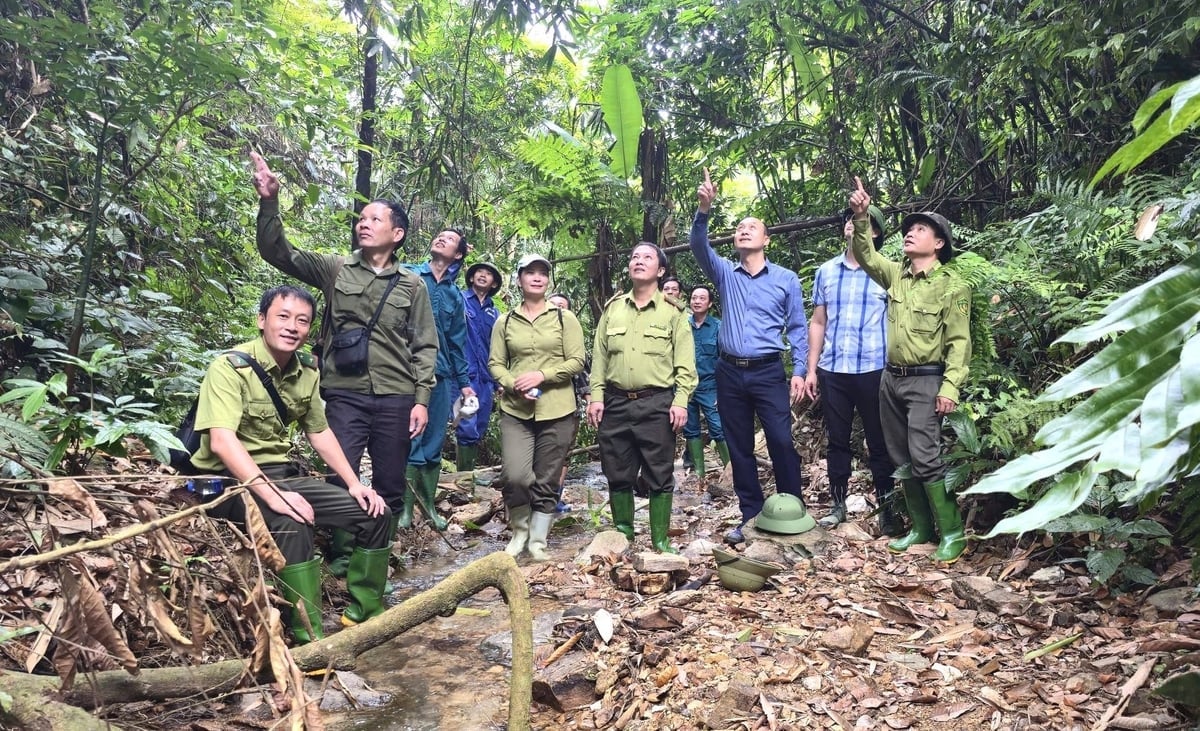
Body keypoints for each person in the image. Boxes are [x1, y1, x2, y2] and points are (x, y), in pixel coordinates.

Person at [251, 152, 437, 577]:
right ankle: (339, 554)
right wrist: (268, 202)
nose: (363, 223)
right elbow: (278, 252)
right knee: (342, 473)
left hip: (396, 396)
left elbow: (425, 345)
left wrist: (422, 399)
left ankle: (374, 563)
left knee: (390, 483)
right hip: (343, 393)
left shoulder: (412, 285)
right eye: (362, 219)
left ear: (398, 233)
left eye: (374, 219)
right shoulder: (336, 269)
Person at [190, 286, 392, 643]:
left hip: (283, 476)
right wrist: (273, 496)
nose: (291, 327)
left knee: (376, 513)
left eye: (302, 321)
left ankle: (365, 612)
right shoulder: (229, 367)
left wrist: (354, 483)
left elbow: (320, 432)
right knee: (292, 520)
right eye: (282, 316)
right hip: (229, 481)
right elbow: (222, 441)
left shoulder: (307, 370)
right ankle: (309, 637)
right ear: (262, 320)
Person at [847, 176, 971, 562]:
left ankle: (952, 532)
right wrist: (862, 216)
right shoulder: (896, 275)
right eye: (909, 229)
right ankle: (920, 528)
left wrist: (950, 387)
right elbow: (866, 255)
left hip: (926, 381)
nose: (910, 234)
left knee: (925, 456)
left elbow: (959, 343)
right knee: (901, 456)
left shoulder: (952, 285)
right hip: (891, 379)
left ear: (938, 243)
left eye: (921, 230)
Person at [691, 170, 810, 545]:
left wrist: (801, 369)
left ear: (766, 240)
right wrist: (703, 211)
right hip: (730, 373)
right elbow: (698, 247)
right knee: (739, 445)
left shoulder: (786, 279)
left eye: (752, 226)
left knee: (780, 440)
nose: (744, 230)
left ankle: (793, 508)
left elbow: (798, 327)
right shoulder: (727, 274)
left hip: (768, 371)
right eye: (740, 227)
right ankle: (751, 515)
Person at [588, 243, 697, 553]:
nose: (638, 261)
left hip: (657, 402)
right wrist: (596, 396)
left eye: (647, 257)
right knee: (616, 469)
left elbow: (685, 364)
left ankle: (660, 540)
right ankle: (623, 532)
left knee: (659, 472)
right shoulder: (613, 308)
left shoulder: (673, 312)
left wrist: (680, 400)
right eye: (634, 256)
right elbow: (599, 357)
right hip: (616, 402)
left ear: (660, 271)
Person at [804, 206, 902, 534]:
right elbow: (818, 322)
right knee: (837, 441)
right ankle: (837, 504)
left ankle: (888, 509)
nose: (851, 224)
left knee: (880, 442)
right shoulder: (826, 272)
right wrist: (812, 370)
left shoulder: (887, 273)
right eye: (848, 219)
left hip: (875, 368)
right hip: (835, 369)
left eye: (861, 221)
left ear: (874, 233)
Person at [489, 255, 585, 561]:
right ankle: (519, 531)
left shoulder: (563, 318)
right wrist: (513, 381)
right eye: (530, 272)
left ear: (548, 281)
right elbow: (495, 363)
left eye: (543, 273)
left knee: (547, 478)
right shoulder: (504, 321)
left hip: (557, 408)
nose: (537, 277)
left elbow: (576, 361)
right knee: (515, 476)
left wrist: (542, 375)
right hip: (516, 410)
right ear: (519, 279)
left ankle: (538, 542)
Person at [403, 229, 475, 531]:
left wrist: (465, 381)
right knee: (409, 438)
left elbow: (457, 342)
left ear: (458, 254)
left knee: (433, 440)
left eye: (449, 239)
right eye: (439, 236)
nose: (440, 239)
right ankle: (405, 510)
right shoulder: (408, 275)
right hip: (405, 371)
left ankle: (429, 506)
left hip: (441, 374)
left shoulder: (454, 296)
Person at [455, 261, 502, 472]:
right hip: (466, 376)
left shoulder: (496, 314)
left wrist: (499, 381)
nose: (483, 275)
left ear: (494, 283)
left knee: (480, 425)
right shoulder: (459, 300)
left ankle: (470, 474)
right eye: (479, 273)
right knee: (467, 425)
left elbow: (498, 348)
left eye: (488, 274)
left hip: (487, 379)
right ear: (471, 278)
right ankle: (463, 478)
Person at [547, 292, 591, 513]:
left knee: (564, 453)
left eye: (562, 306)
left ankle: (554, 498)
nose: (557, 309)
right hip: (538, 405)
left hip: (568, 405)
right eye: (552, 305)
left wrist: (591, 401)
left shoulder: (574, 340)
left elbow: (582, 374)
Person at [683, 284, 730, 476]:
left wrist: (724, 392)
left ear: (709, 303)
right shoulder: (683, 326)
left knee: (718, 428)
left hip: (710, 386)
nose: (697, 301)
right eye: (694, 298)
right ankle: (699, 474)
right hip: (686, 386)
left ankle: (731, 471)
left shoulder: (718, 327)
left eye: (702, 298)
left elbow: (726, 361)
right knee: (691, 429)